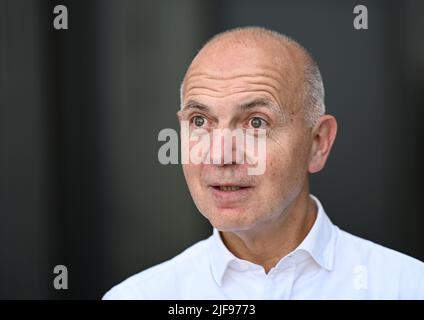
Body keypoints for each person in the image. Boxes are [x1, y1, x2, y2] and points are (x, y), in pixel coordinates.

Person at [103, 27, 424, 299]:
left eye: (256, 123)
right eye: (199, 121)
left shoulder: (406, 287)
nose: (220, 155)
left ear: (318, 143)